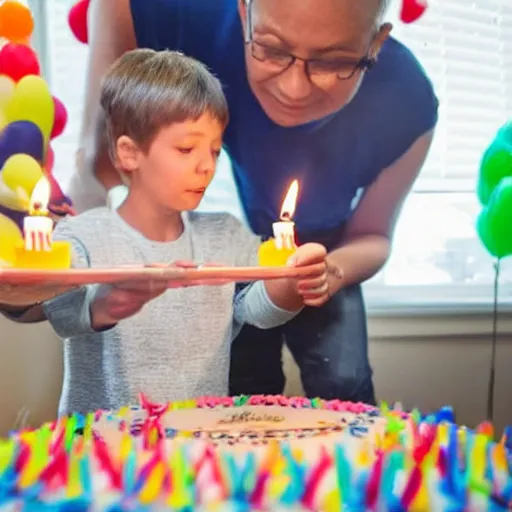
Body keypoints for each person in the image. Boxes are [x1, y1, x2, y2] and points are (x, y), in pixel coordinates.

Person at [68, 0, 439, 404]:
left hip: (330, 254)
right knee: (240, 379)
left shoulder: (408, 103)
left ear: (376, 43)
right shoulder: (191, 15)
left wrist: (330, 271)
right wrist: (89, 177)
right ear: (244, 12)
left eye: (333, 62)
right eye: (273, 49)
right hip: (240, 245)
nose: (294, 88)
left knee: (343, 379)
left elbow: (373, 234)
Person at [16, 49, 329, 416]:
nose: (206, 166)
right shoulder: (82, 236)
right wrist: (110, 303)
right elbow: (64, 318)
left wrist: (292, 283)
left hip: (193, 445)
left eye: (215, 150)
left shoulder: (224, 233)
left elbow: (258, 310)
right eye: (186, 148)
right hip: (102, 454)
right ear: (130, 153)